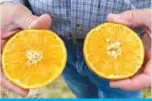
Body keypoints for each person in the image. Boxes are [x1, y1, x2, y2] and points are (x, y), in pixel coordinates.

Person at [0, 0, 151, 98]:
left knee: (120, 95)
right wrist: (7, 4)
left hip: (126, 47)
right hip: (59, 48)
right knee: (82, 91)